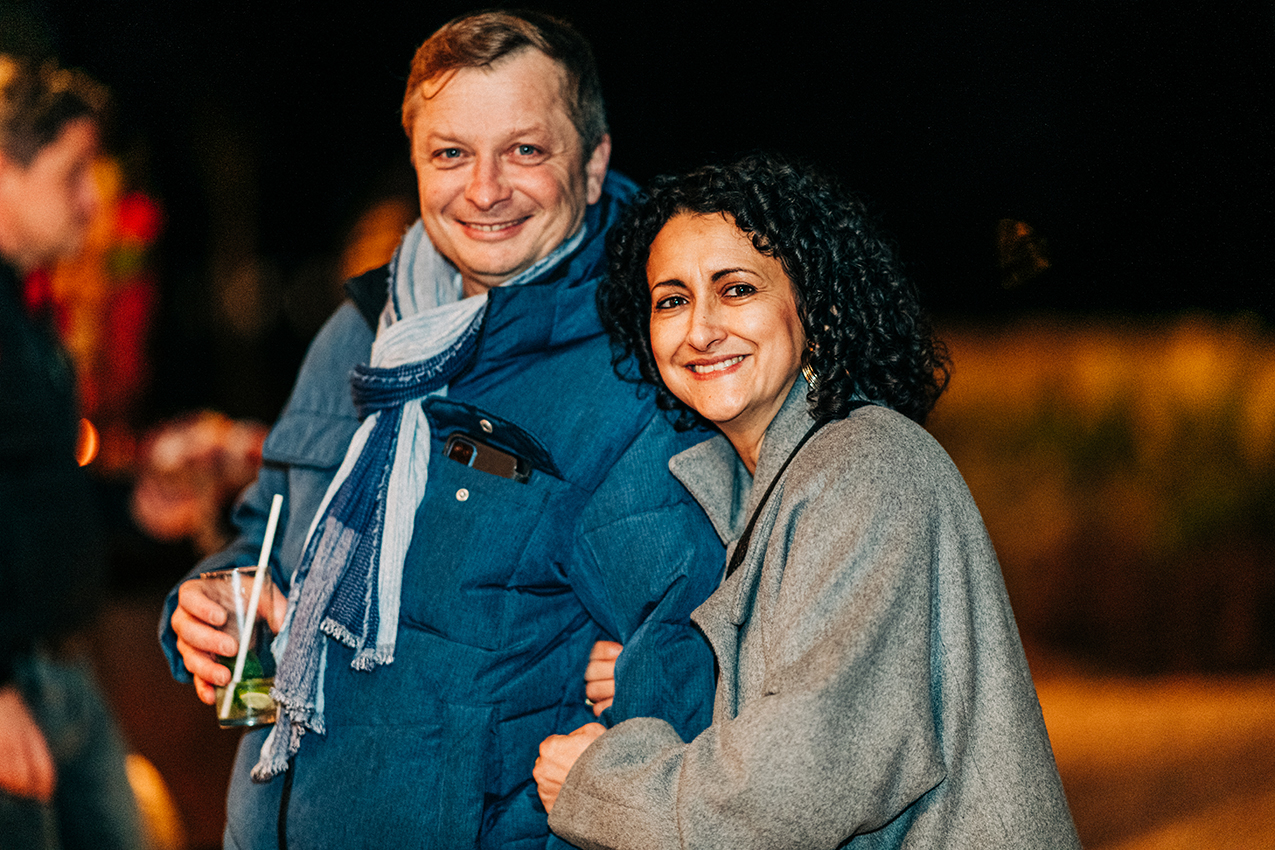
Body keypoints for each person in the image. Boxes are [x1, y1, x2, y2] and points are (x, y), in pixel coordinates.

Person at [158, 11, 722, 849]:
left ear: (593, 163)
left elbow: (685, 654)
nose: (484, 190)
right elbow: (265, 532)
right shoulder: (362, 330)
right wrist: (210, 596)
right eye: (451, 153)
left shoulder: (641, 370)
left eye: (524, 150)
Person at [534, 152, 1082, 849]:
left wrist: (601, 782)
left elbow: (802, 778)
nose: (700, 329)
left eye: (736, 289)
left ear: (817, 312)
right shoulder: (758, 487)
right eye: (671, 300)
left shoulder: (865, 466)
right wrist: (655, 669)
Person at [0, 55, 144, 849]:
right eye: (73, 173)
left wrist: (135, 504)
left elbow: (34, 485)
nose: (93, 201)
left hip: (60, 671)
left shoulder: (27, 306)